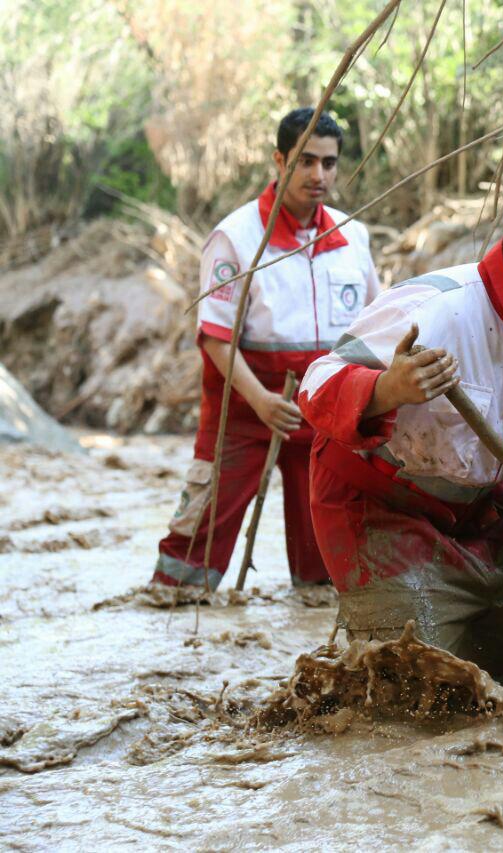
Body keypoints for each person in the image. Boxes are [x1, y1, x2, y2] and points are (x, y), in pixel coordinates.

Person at [298, 160, 503, 709]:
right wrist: (388, 389)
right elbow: (318, 385)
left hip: (480, 512)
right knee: (417, 683)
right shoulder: (434, 309)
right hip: (377, 509)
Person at [152, 107, 380, 590]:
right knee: (190, 560)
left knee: (324, 568)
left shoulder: (353, 237)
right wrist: (261, 401)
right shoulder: (235, 238)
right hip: (243, 409)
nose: (318, 175)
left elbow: (374, 325)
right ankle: (173, 615)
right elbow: (215, 336)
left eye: (329, 163)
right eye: (306, 161)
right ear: (280, 160)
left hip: (322, 413)